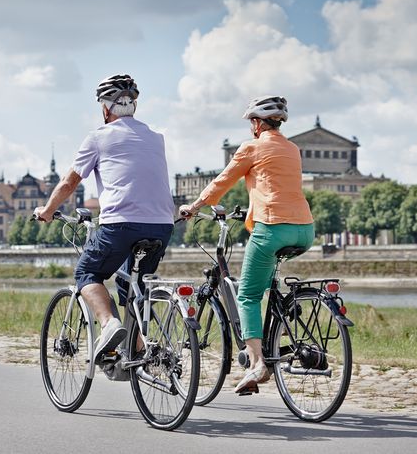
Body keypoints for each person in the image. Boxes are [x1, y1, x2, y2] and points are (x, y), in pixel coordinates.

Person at [34, 74, 175, 360]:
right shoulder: (156, 138)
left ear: (105, 108)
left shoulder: (98, 137)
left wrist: (47, 211)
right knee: (132, 286)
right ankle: (135, 356)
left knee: (88, 273)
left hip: (120, 224)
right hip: (162, 225)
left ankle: (109, 324)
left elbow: (69, 183)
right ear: (133, 105)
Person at [179, 95, 314, 393]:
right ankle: (276, 330)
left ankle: (256, 365)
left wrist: (194, 206)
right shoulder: (293, 149)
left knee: (249, 296)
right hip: (305, 229)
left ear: (256, 123)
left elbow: (222, 182)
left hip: (272, 229)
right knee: (266, 284)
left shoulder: (251, 147)